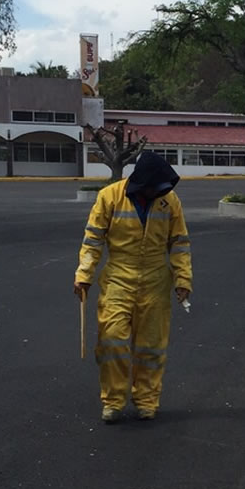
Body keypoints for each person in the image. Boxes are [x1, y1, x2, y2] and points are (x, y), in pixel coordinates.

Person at [73, 151, 192, 423]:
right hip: (118, 278)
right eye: (155, 187)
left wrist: (183, 279)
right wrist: (84, 275)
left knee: (151, 347)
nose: (159, 191)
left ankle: (147, 400)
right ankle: (113, 401)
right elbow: (93, 240)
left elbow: (179, 243)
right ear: (142, 182)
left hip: (156, 280)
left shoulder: (169, 201)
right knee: (112, 340)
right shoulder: (110, 197)